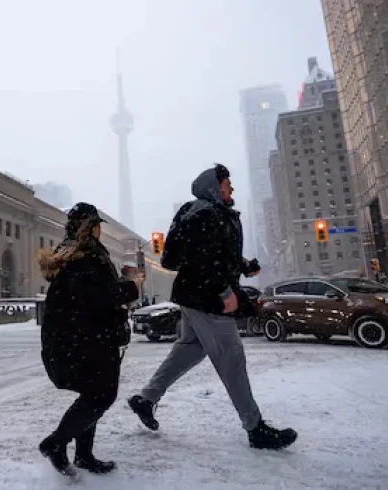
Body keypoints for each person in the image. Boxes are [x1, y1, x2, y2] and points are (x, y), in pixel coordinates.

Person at [127, 164, 297, 450]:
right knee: (232, 359)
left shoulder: (213, 213)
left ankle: (146, 399)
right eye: (227, 183)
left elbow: (216, 253)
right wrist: (224, 290)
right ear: (213, 186)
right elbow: (199, 258)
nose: (231, 188)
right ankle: (255, 428)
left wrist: (244, 265)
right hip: (207, 298)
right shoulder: (203, 212)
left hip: (198, 296)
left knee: (189, 350)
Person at [37, 202, 143, 478]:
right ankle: (56, 443)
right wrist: (132, 286)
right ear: (91, 227)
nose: (99, 230)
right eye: (97, 225)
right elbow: (100, 296)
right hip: (87, 339)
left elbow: (89, 294)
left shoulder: (71, 255)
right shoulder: (87, 256)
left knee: (92, 393)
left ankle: (84, 455)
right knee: (101, 395)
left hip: (74, 339)